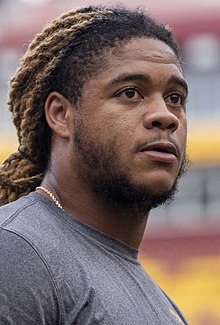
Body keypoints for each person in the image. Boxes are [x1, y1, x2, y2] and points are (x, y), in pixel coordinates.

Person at [0, 5, 189, 324]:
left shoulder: (157, 295)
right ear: (61, 114)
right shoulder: (17, 248)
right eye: (130, 92)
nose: (166, 116)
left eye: (175, 98)